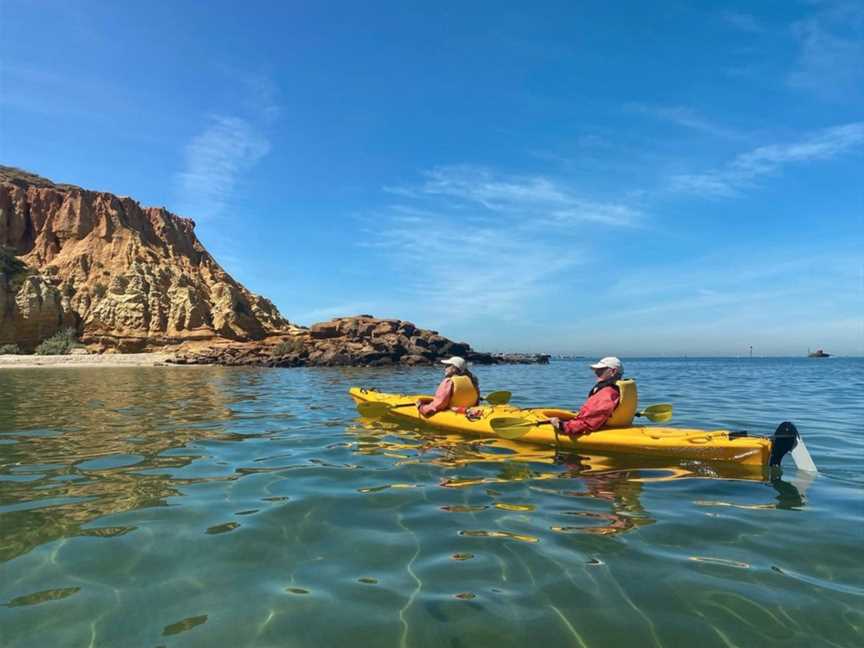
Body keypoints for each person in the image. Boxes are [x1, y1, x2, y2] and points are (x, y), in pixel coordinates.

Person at [550, 356, 623, 437]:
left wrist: (561, 425)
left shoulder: (607, 393)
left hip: (596, 431)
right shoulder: (618, 389)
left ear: (613, 371)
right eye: (596, 370)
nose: (596, 372)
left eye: (601, 369)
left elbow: (588, 423)